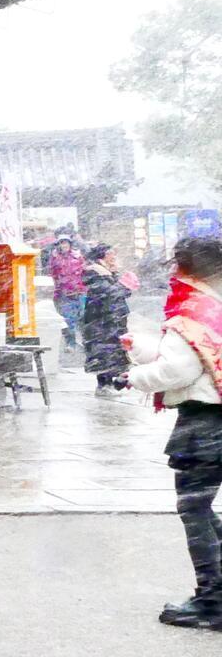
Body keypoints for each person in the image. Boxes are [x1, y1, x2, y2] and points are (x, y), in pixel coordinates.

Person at [125, 237, 222, 630]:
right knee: (203, 506)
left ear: (184, 267)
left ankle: (212, 601)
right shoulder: (214, 307)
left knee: (195, 508)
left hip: (204, 424)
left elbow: (178, 371)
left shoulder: (192, 312)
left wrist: (133, 377)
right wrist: (148, 349)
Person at [82, 244, 131, 396]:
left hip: (112, 320)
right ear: (102, 256)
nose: (114, 257)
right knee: (104, 352)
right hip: (102, 322)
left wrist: (118, 278)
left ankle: (111, 383)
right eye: (110, 254)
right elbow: (110, 293)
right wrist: (124, 285)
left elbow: (119, 293)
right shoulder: (95, 272)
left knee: (113, 352)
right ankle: (104, 384)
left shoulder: (107, 272)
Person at [48, 234, 88, 352]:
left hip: (80, 292)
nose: (64, 245)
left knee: (83, 319)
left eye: (66, 242)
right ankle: (71, 343)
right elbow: (53, 275)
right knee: (68, 320)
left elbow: (84, 272)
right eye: (62, 243)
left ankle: (86, 343)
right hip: (65, 294)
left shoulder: (78, 256)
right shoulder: (55, 259)